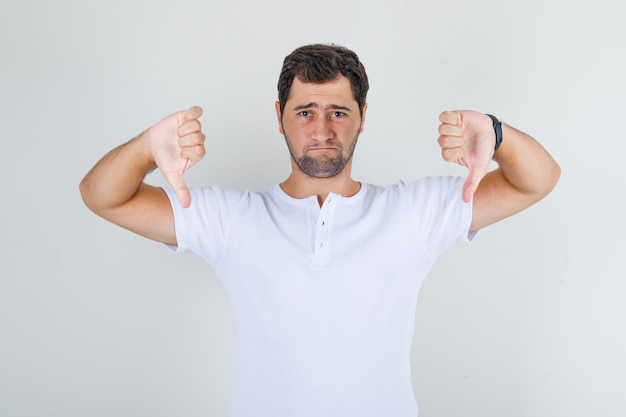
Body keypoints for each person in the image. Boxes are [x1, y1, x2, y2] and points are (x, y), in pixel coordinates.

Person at [80, 44, 560, 416]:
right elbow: (102, 195)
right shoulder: (230, 219)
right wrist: (146, 148)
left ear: (363, 119)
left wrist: (497, 135)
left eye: (339, 112)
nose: (322, 130)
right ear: (280, 118)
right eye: (305, 111)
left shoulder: (413, 212)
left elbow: (538, 179)